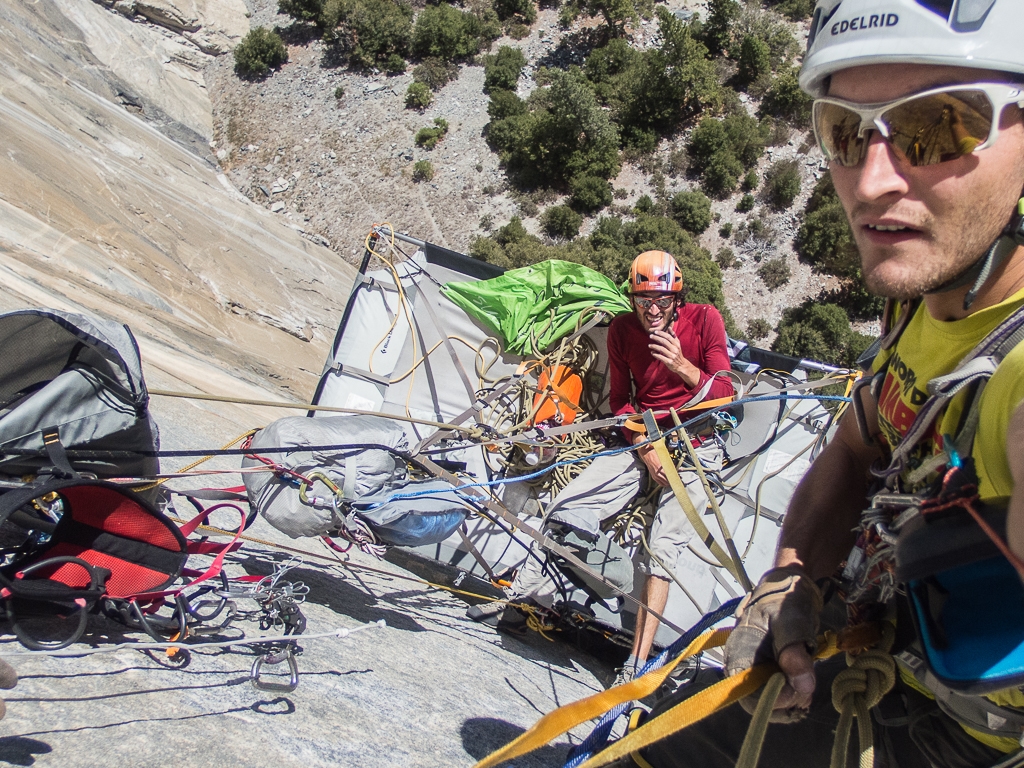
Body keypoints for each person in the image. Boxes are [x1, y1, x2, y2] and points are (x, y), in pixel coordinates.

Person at [638, 2, 1024, 767]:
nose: (873, 180)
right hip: (881, 662)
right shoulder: (920, 300)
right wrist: (792, 580)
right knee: (649, 737)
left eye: (939, 126)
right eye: (846, 131)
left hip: (968, 742)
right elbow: (854, 447)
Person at [501, 250, 734, 685]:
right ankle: (523, 603)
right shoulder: (624, 330)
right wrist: (645, 446)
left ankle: (637, 664)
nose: (652, 310)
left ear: (677, 299)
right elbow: (622, 402)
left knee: (662, 549)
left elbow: (725, 393)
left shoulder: (704, 320)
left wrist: (682, 365)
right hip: (644, 437)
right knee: (567, 507)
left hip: (696, 442)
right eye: (643, 300)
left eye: (661, 301)